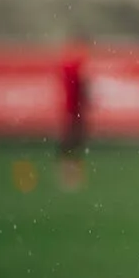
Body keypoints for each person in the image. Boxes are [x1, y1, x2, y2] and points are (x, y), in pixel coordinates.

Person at [56, 42, 89, 191]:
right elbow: (82, 88)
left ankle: (70, 175)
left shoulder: (70, 65)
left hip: (72, 111)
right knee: (72, 144)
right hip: (74, 111)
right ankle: (70, 176)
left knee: (72, 144)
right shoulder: (76, 66)